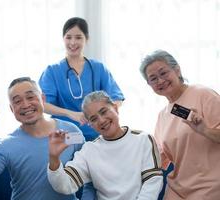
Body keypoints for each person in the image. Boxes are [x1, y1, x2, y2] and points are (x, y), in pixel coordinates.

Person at [0, 77, 90, 200]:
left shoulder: (70, 132)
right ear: (11, 109)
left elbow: (91, 170)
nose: (25, 105)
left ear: (43, 99)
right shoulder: (6, 146)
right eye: (17, 101)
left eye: (30, 97)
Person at [47, 90, 163, 200]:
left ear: (116, 108)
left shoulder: (143, 139)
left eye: (104, 112)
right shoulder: (89, 150)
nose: (102, 120)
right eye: (94, 119)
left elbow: (152, 180)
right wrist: (54, 158)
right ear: (90, 125)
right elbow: (65, 186)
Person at [139, 50, 220, 200]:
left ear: (177, 70)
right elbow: (159, 158)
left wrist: (205, 130)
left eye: (163, 73)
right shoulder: (163, 115)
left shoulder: (203, 94)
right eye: (153, 79)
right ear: (149, 84)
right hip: (178, 189)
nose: (160, 81)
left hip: (210, 187)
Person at [39, 17, 124, 142]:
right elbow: (43, 105)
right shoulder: (52, 71)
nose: (73, 42)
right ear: (63, 39)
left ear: (86, 39)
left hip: (99, 133)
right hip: (66, 136)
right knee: (70, 161)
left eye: (78, 37)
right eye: (68, 37)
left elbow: (116, 98)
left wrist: (103, 115)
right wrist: (70, 113)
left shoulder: (98, 68)